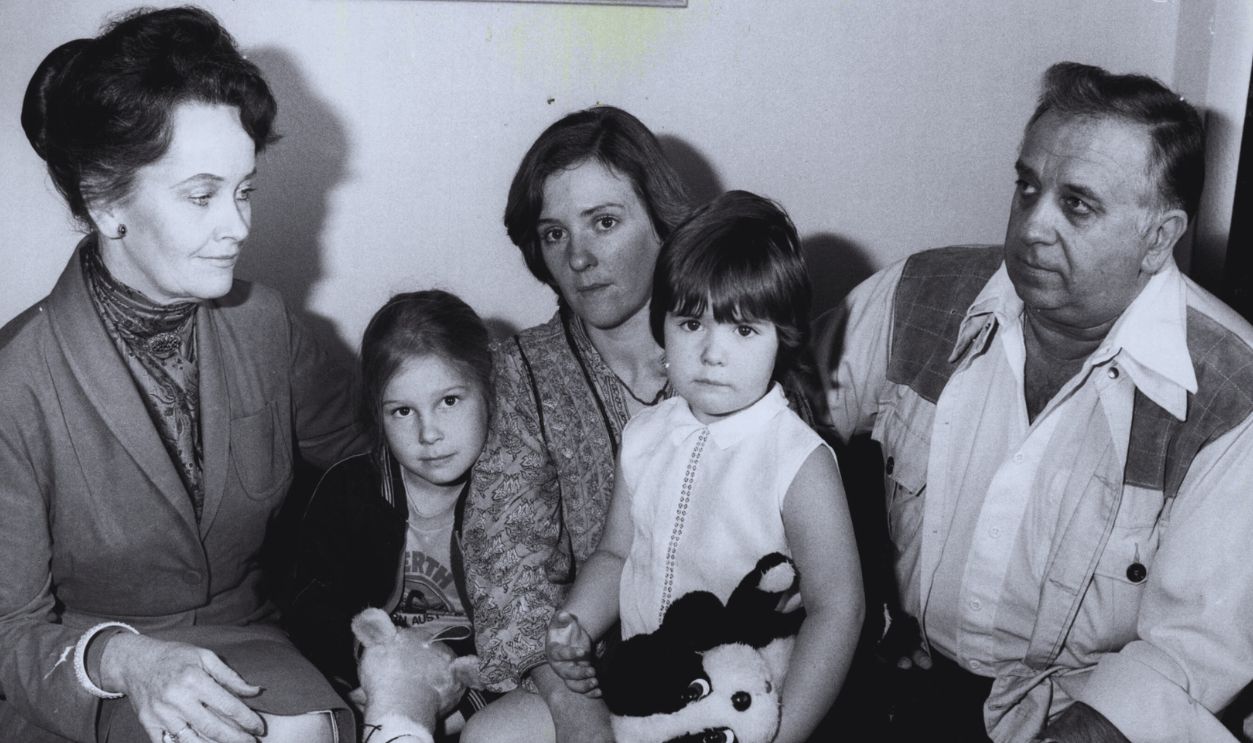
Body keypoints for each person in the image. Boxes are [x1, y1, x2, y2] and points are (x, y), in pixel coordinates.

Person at [822, 61, 1253, 742]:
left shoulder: (1233, 392)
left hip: (1070, 722)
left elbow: (1186, 655)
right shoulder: (915, 292)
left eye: (1075, 204)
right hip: (883, 680)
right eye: (1026, 187)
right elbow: (779, 438)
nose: (1031, 226)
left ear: (1158, 237)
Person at [2, 8, 366, 742]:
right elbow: (8, 627)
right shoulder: (16, 381)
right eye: (202, 195)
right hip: (89, 674)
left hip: (248, 641)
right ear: (107, 205)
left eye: (245, 189)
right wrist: (124, 659)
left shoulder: (262, 323)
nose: (237, 225)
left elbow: (367, 463)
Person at [545, 191, 864, 743]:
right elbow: (616, 553)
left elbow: (839, 610)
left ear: (781, 339)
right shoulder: (646, 434)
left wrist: (780, 731)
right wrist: (573, 624)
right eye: (692, 324)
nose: (713, 352)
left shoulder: (797, 460)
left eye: (743, 330)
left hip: (741, 705)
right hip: (646, 686)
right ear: (662, 326)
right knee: (493, 732)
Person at [458, 106, 692, 743]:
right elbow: (509, 572)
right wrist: (576, 710)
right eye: (555, 234)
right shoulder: (517, 374)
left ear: (663, 223)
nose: (580, 257)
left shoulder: (733, 355)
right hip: (592, 673)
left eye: (605, 222)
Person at [284, 290, 500, 736]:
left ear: (490, 392)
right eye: (402, 411)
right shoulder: (349, 489)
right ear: (377, 418)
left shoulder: (513, 493)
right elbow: (309, 605)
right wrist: (362, 672)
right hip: (367, 687)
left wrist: (461, 705)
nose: (429, 433)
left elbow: (528, 624)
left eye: (449, 401)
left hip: (475, 691)